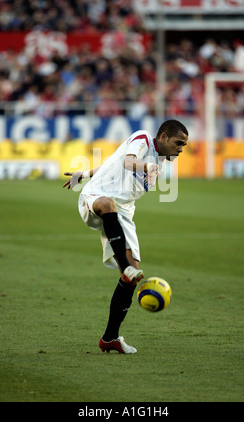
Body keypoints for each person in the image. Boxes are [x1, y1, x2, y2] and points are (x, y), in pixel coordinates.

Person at [63, 119, 188, 354]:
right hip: (96, 197)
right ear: (163, 138)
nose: (181, 149)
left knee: (131, 276)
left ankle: (110, 338)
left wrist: (85, 172)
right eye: (178, 143)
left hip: (124, 213)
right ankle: (126, 267)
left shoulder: (159, 162)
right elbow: (128, 162)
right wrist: (147, 168)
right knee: (107, 204)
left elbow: (112, 165)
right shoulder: (142, 139)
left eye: (184, 145)